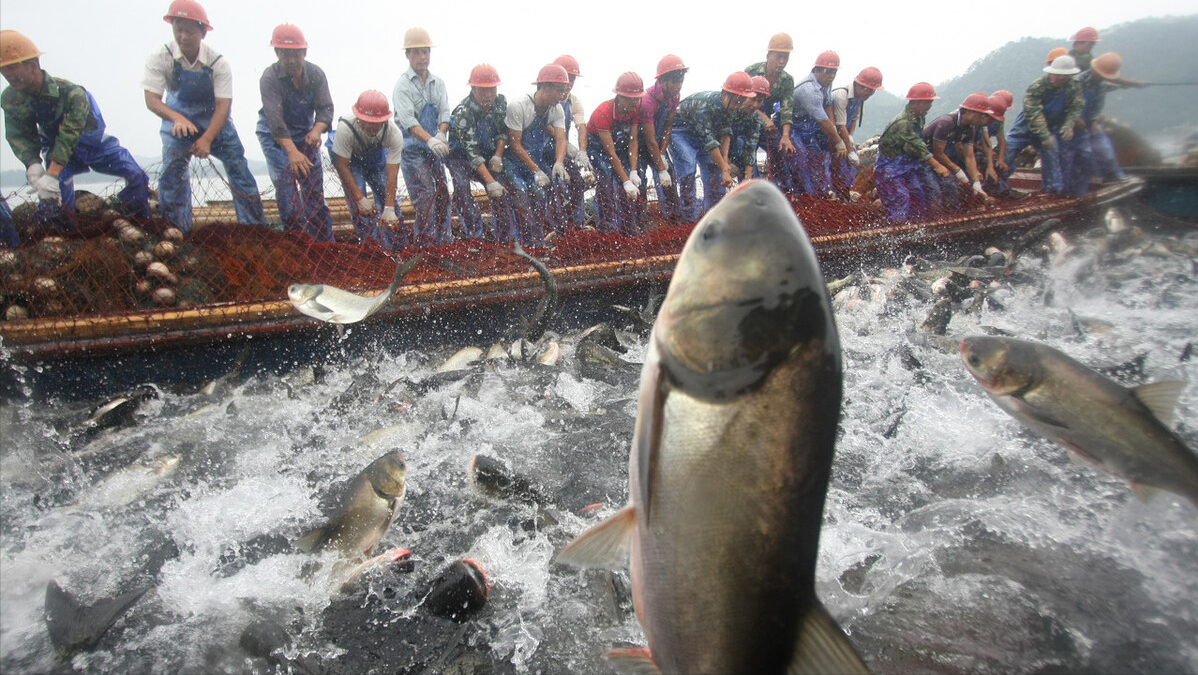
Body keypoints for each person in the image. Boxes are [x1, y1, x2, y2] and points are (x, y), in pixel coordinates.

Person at [1, 30, 150, 228]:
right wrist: (32, 163)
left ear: (33, 65)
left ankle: (132, 221)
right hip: (57, 152)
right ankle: (61, 234)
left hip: (94, 145)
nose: (8, 74)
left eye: (12, 66)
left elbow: (70, 134)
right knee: (52, 204)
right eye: (3, 69)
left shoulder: (72, 94)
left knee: (137, 177)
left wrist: (52, 174)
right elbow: (18, 134)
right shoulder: (11, 98)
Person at [142, 0, 263, 233]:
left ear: (202, 32)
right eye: (178, 28)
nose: (183, 36)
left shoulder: (218, 63)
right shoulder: (160, 56)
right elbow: (152, 100)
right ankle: (177, 231)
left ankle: (254, 232)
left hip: (215, 121)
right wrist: (176, 118)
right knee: (172, 173)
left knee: (238, 168)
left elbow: (223, 105)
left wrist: (207, 138)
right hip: (177, 122)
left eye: (190, 30)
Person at [255, 24, 335, 240]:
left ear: (304, 52)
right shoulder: (269, 78)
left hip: (306, 135)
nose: (290, 59)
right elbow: (275, 121)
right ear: (277, 53)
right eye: (284, 53)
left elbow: (326, 108)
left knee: (314, 195)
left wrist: (317, 130)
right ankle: (297, 248)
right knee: (288, 194)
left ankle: (325, 247)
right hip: (276, 139)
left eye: (295, 54)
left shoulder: (316, 74)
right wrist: (292, 152)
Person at [392, 27, 453, 248]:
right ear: (407, 55)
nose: (422, 57)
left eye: (425, 52)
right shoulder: (402, 86)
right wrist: (429, 140)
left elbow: (445, 112)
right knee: (425, 194)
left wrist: (441, 133)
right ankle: (426, 245)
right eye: (416, 52)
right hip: (412, 150)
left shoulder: (438, 83)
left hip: (434, 148)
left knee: (443, 194)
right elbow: (409, 123)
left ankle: (444, 243)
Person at [670, 71, 756, 222]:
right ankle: (690, 220)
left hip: (704, 137)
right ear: (726, 94)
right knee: (688, 169)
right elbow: (709, 141)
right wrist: (724, 168)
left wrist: (725, 163)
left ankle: (715, 217)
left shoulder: (731, 108)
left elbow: (725, 133)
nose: (738, 105)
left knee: (714, 171)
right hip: (681, 132)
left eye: (742, 100)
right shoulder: (704, 106)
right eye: (736, 100)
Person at [447, 64, 515, 242]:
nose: (488, 95)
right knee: (462, 189)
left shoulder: (500, 103)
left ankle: (505, 238)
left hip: (488, 153)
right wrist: (490, 181)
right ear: (473, 89)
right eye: (482, 91)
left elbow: (502, 132)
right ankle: (475, 237)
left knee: (503, 190)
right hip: (460, 157)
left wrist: (498, 155)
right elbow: (472, 153)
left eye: (491, 90)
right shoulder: (463, 113)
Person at [504, 64, 571, 245]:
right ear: (545, 87)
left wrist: (559, 162)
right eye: (558, 91)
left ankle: (536, 241)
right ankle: (518, 243)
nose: (561, 95)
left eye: (563, 91)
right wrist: (536, 171)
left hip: (536, 160)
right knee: (521, 194)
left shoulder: (556, 108)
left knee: (540, 197)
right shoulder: (519, 106)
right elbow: (515, 144)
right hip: (513, 162)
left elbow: (560, 139)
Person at [330, 90, 404, 249]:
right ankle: (372, 250)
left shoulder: (394, 133)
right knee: (361, 210)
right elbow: (341, 165)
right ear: (358, 117)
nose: (370, 126)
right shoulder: (345, 128)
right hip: (350, 163)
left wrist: (389, 208)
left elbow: (392, 172)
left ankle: (397, 249)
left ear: (384, 120)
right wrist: (359, 199)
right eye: (366, 121)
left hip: (376, 160)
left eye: (376, 122)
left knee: (388, 201)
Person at [1004, 55, 1084, 195]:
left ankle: (1053, 192)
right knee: (1006, 152)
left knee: (1053, 158)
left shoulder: (1073, 85)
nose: (1061, 78)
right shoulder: (1037, 87)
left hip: (1052, 126)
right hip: (1026, 127)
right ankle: (999, 187)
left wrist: (1068, 125)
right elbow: (1034, 114)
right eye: (1058, 75)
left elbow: (1076, 107)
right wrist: (1045, 136)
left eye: (1065, 76)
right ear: (1051, 72)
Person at [873, 82, 947, 223]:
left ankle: (917, 230)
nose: (930, 106)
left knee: (917, 194)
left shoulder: (918, 118)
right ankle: (897, 231)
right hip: (889, 169)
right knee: (900, 197)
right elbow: (918, 147)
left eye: (930, 103)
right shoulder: (903, 123)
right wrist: (938, 166)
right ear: (916, 103)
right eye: (927, 103)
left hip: (906, 167)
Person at [586, 72, 644, 234]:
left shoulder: (636, 108)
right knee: (606, 181)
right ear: (620, 96)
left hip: (620, 145)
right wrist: (626, 181)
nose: (635, 102)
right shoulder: (603, 112)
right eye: (631, 99)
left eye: (637, 98)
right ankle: (608, 230)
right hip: (598, 147)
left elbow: (633, 140)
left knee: (630, 184)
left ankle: (629, 228)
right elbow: (609, 151)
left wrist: (632, 172)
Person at [920, 92, 995, 214]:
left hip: (943, 160)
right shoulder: (946, 122)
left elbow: (969, 156)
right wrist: (958, 171)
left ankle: (954, 214)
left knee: (964, 186)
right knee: (941, 188)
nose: (982, 119)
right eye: (981, 115)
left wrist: (976, 182)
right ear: (970, 112)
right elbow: (938, 153)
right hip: (924, 159)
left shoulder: (970, 127)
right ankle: (938, 220)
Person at [637, 54, 686, 223]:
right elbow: (650, 139)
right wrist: (660, 166)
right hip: (640, 145)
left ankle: (673, 217)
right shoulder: (647, 101)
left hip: (657, 144)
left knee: (669, 175)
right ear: (663, 80)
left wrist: (663, 153)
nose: (678, 86)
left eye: (681, 81)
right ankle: (640, 220)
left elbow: (668, 126)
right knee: (640, 180)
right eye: (675, 82)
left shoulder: (674, 96)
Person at [789, 50, 845, 196]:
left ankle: (820, 193)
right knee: (800, 156)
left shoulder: (826, 83)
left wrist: (833, 128)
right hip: (793, 126)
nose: (832, 76)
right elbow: (822, 120)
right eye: (829, 72)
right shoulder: (808, 89)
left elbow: (828, 105)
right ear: (818, 70)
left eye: (834, 72)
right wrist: (838, 141)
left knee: (817, 157)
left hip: (810, 126)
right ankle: (804, 195)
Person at [744, 34, 797, 190]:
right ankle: (752, 189)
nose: (782, 62)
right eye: (778, 57)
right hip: (746, 121)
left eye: (785, 57)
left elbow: (787, 109)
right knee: (747, 154)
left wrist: (785, 136)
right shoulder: (751, 71)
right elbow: (743, 101)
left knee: (780, 150)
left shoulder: (787, 80)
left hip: (767, 125)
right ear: (768, 56)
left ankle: (784, 191)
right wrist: (763, 117)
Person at [828, 66, 883, 200]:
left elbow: (853, 120)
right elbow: (840, 125)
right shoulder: (841, 95)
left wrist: (850, 138)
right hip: (830, 136)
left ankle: (844, 195)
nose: (869, 94)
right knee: (832, 168)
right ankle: (832, 197)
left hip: (844, 136)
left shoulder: (859, 99)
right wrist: (850, 150)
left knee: (848, 169)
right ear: (860, 85)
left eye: (872, 92)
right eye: (868, 90)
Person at [1077, 52, 1130, 186]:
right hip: (1074, 121)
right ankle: (1092, 177)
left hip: (1089, 120)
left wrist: (1093, 120)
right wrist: (1076, 118)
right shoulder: (1077, 81)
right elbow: (1069, 102)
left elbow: (1098, 104)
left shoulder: (1100, 85)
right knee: (1084, 151)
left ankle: (1113, 175)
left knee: (1103, 148)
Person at [551, 54, 590, 229]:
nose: (569, 83)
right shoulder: (548, 99)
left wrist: (581, 150)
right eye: (567, 78)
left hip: (562, 150)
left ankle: (576, 224)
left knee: (577, 182)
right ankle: (555, 226)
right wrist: (566, 145)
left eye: (572, 78)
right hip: (543, 149)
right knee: (555, 186)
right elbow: (545, 126)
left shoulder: (574, 101)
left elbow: (581, 126)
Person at [727, 76, 769, 183]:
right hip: (711, 145)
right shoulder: (729, 109)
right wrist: (726, 164)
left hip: (735, 146)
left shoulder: (755, 117)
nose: (755, 105)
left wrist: (748, 177)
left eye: (759, 101)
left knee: (750, 174)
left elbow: (751, 146)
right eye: (753, 99)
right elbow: (714, 139)